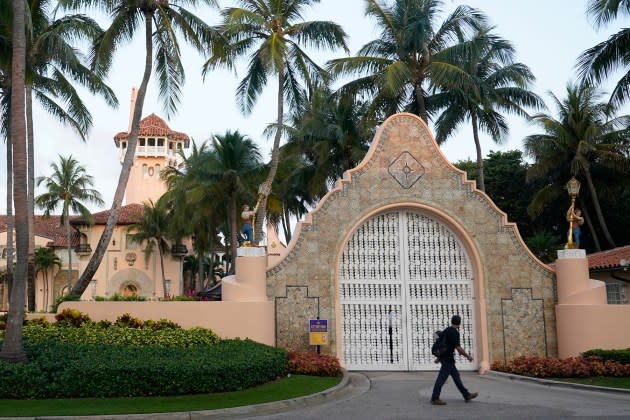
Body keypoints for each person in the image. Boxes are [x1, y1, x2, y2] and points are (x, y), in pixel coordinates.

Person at [430, 315, 477, 405]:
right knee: (441, 379)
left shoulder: (447, 330)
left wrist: (438, 358)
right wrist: (468, 356)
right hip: (448, 360)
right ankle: (435, 398)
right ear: (459, 323)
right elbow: (458, 348)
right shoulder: (455, 333)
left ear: (452, 321)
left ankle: (466, 394)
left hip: (446, 358)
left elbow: (442, 345)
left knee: (456, 377)